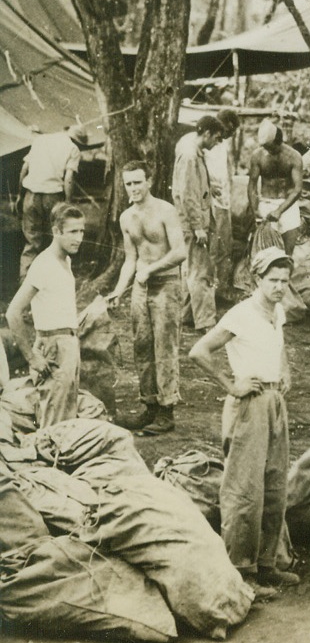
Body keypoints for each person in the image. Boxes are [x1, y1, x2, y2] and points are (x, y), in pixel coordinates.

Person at [189, 247, 299, 595]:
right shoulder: (240, 314)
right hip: (248, 404)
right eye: (273, 280)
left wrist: (284, 369)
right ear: (257, 279)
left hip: (274, 402)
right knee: (244, 490)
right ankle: (242, 572)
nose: (280, 287)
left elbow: (278, 344)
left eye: (284, 280)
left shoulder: (276, 311)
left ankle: (267, 564)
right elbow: (199, 352)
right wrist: (230, 385)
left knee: (275, 485)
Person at [105, 161, 188, 434]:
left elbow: (179, 252)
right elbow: (131, 258)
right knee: (142, 346)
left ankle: (167, 411)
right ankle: (149, 406)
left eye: (138, 182)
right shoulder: (126, 217)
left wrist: (151, 269)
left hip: (166, 284)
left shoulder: (166, 210)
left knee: (165, 348)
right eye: (128, 183)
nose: (133, 188)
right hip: (141, 288)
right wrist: (119, 289)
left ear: (149, 181)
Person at [6, 203, 85, 425]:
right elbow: (13, 312)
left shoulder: (66, 260)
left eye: (81, 231)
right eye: (72, 232)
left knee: (67, 417)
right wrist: (31, 357)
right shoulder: (44, 264)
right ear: (56, 231)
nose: (79, 238)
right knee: (54, 420)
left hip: (69, 343)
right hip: (55, 347)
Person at [173, 114, 224, 331]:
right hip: (193, 221)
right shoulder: (190, 155)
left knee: (191, 269)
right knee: (201, 271)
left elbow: (192, 184)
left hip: (196, 217)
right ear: (207, 133)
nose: (217, 142)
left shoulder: (191, 146)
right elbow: (187, 194)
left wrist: (208, 188)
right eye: (217, 137)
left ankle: (186, 315)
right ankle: (206, 321)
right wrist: (198, 227)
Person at [18, 124, 88, 277]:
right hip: (53, 196)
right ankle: (50, 282)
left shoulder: (40, 140)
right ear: (78, 141)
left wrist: (20, 195)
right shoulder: (73, 148)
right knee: (54, 242)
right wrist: (68, 203)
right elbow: (68, 178)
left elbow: (24, 169)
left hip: (31, 195)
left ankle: (25, 285)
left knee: (32, 242)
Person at [248, 120, 304, 254]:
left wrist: (279, 210)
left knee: (288, 250)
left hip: (287, 206)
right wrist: (255, 210)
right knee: (266, 251)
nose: (268, 150)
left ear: (279, 142)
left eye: (270, 147)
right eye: (265, 147)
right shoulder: (257, 156)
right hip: (266, 203)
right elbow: (252, 185)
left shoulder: (294, 157)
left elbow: (297, 189)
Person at [207, 109, 241, 301]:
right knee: (212, 248)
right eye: (230, 130)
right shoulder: (206, 143)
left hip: (224, 202)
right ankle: (209, 292)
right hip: (210, 202)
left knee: (225, 246)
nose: (230, 135)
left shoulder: (223, 144)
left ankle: (220, 289)